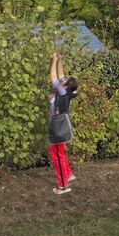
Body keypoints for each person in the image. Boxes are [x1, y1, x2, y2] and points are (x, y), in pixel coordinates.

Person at [48, 52, 79, 195]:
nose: (63, 80)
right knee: (59, 153)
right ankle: (68, 174)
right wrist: (60, 59)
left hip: (57, 127)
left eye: (66, 80)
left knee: (57, 155)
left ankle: (63, 186)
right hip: (61, 126)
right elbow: (60, 74)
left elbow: (53, 77)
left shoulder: (61, 91)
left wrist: (54, 60)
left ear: (67, 85)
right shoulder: (67, 91)